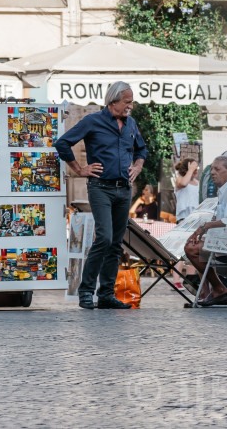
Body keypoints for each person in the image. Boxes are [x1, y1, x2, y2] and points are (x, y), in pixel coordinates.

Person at [56, 81, 148, 310]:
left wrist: (138, 165)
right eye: (128, 102)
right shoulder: (93, 121)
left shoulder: (130, 123)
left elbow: (141, 149)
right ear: (113, 101)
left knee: (116, 243)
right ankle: (86, 291)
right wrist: (79, 169)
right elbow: (63, 143)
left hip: (124, 189)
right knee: (104, 237)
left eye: (132, 101)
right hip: (101, 188)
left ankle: (106, 294)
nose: (131, 106)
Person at [184, 156, 227, 306]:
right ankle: (207, 292)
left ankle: (219, 289)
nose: (212, 173)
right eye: (212, 169)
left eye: (217, 169)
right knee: (195, 245)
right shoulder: (226, 188)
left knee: (192, 248)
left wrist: (204, 227)